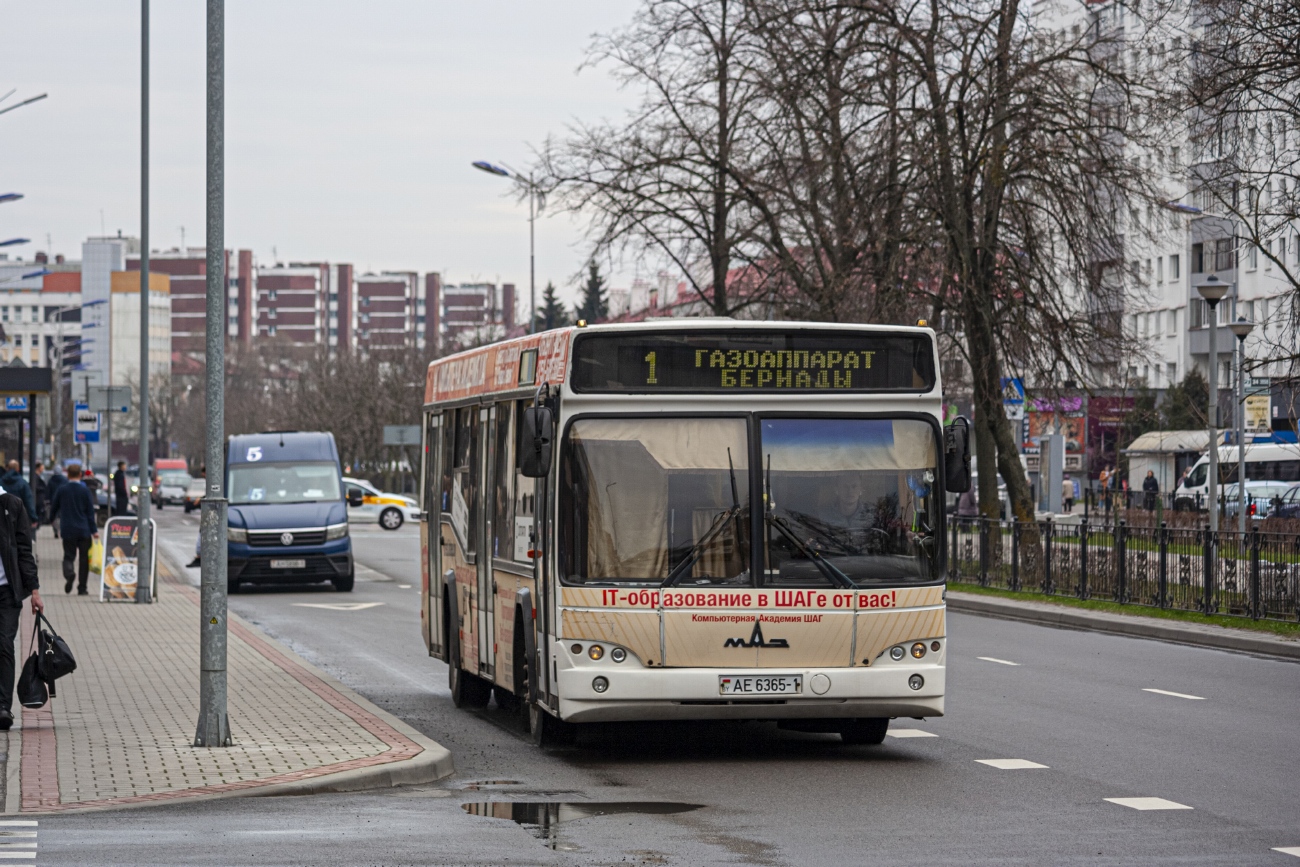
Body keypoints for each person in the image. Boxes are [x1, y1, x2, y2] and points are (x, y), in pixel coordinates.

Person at [0, 485, 42, 730]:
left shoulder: (12, 505)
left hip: (7, 591)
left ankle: (3, 706)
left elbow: (25, 551)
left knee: (4, 643)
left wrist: (34, 591)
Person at [49, 464, 99, 596]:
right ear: (80, 475)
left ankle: (69, 573)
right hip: (84, 530)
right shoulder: (85, 491)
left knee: (68, 556)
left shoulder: (62, 489)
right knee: (84, 560)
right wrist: (94, 530)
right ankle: (82, 588)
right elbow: (90, 512)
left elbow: (54, 507)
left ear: (68, 475)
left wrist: (51, 520)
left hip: (68, 529)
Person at [0, 462, 35, 526]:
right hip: (18, 515)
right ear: (18, 469)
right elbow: (28, 501)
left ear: (8, 468)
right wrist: (33, 517)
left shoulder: (1, 482)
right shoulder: (23, 483)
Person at [45, 465, 66, 538]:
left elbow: (48, 491)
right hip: (63, 501)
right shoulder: (64, 480)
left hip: (52, 501)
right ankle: (61, 530)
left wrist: (47, 500)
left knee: (54, 516)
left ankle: (55, 530)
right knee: (62, 516)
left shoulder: (51, 480)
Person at [32, 462, 47, 531]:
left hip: (39, 499)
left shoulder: (38, 476)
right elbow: (36, 487)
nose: (43, 469)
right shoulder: (35, 477)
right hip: (38, 499)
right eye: (42, 467)